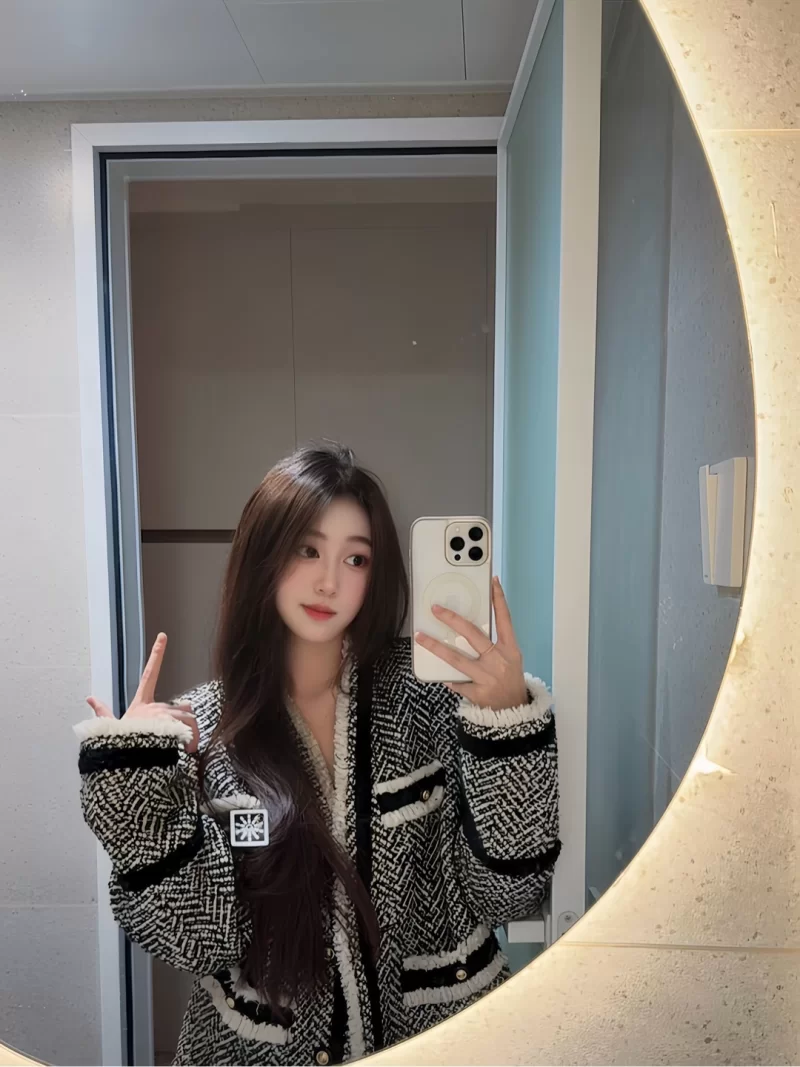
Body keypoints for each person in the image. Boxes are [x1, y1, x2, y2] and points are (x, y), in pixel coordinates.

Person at [74, 441, 561, 1066]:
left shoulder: (432, 698)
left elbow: (509, 897)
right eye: (307, 550)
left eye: (356, 559)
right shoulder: (204, 730)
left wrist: (506, 728)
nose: (330, 581)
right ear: (264, 553)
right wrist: (136, 785)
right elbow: (199, 941)